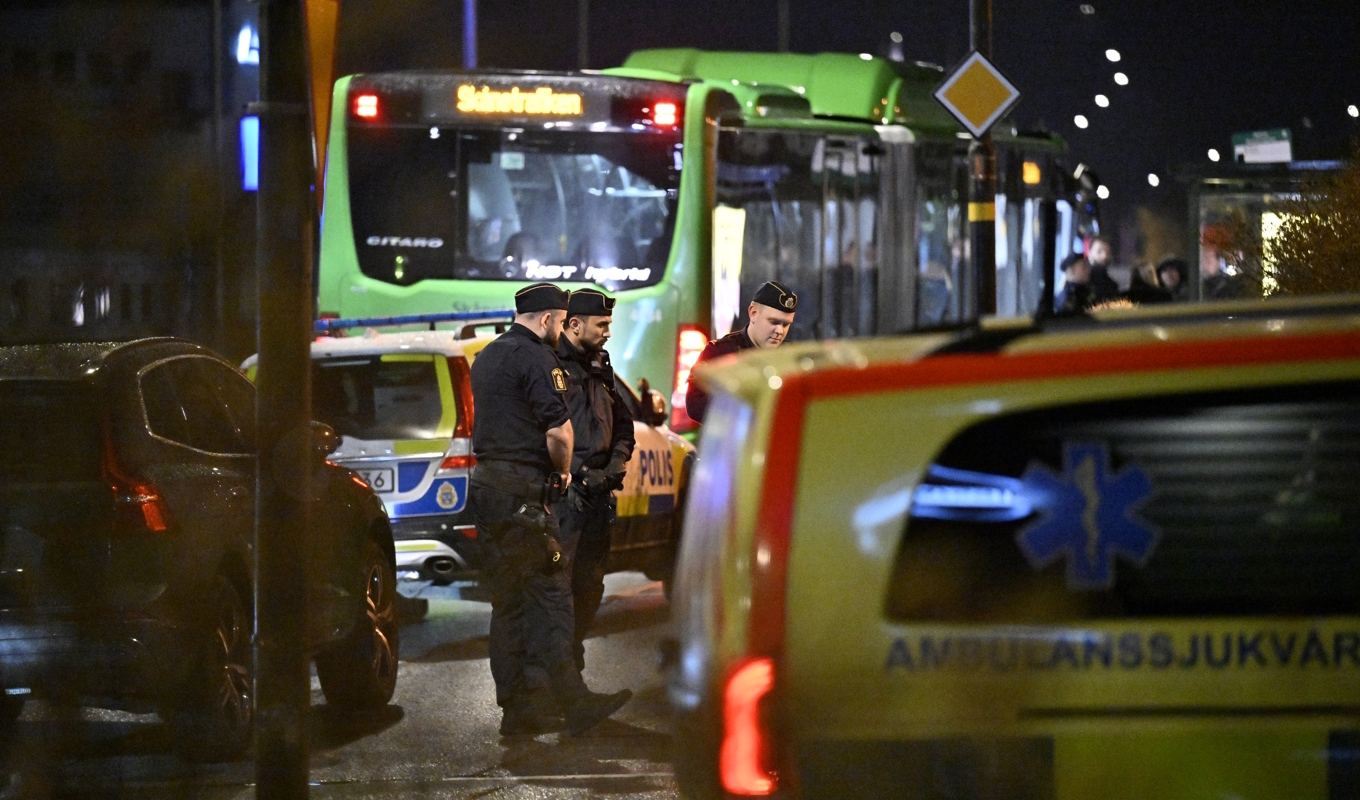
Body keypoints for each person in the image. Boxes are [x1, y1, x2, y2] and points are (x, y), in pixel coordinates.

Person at [469, 282, 631, 736]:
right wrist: (562, 473)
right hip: (524, 491)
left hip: (488, 488)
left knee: (509, 599)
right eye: (560, 322)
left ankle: (517, 708)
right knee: (552, 594)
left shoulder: (487, 355)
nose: (559, 332)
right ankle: (571, 701)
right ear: (547, 319)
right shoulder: (538, 357)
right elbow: (558, 430)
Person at [555, 288, 635, 671]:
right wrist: (583, 474)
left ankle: (571, 664)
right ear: (574, 324)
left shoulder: (600, 365)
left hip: (599, 498)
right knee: (559, 592)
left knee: (590, 588)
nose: (607, 331)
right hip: (568, 499)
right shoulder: (550, 364)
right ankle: (562, 678)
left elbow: (624, 423)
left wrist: (616, 463)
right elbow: (546, 431)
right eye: (601, 324)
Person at [684, 280, 797, 424]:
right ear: (753, 313)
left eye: (786, 324)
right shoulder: (721, 352)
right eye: (773, 322)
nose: (779, 331)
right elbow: (695, 404)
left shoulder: (790, 355)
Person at [1084, 236, 1122, 304]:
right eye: (1099, 251)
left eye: (1107, 252)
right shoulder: (1082, 278)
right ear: (1089, 252)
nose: (1104, 256)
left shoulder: (1110, 284)